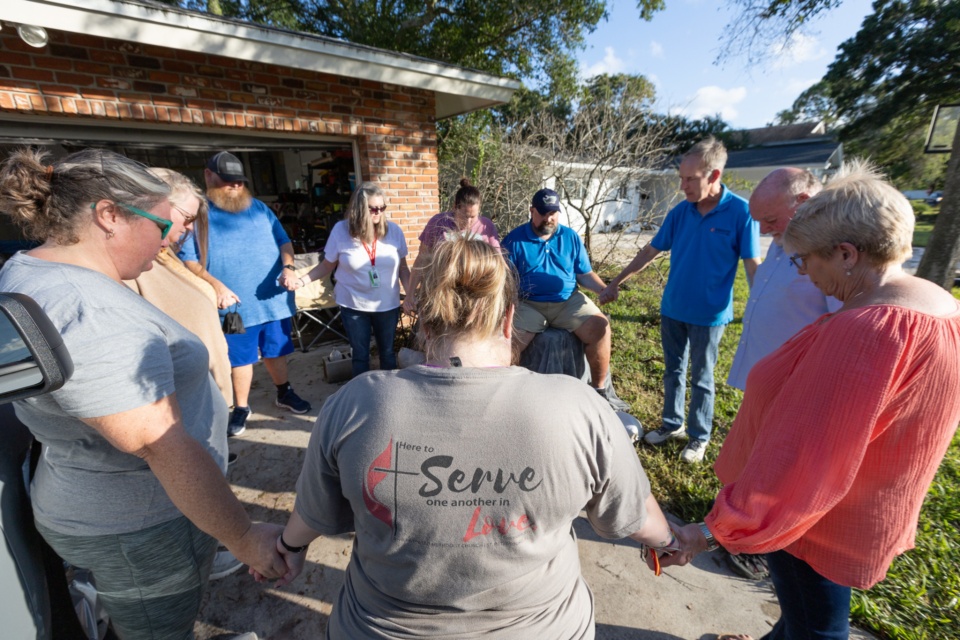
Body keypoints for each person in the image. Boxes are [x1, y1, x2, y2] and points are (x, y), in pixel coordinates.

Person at [255, 236, 684, 637]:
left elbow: (313, 517)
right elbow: (637, 520)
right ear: (510, 318)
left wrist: (288, 546)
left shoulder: (354, 403)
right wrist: (672, 543)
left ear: (422, 318)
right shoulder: (580, 407)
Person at [0, 148, 287, 640]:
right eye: (158, 225)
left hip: (94, 499)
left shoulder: (32, 270)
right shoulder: (94, 313)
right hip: (141, 524)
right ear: (109, 216)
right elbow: (160, 443)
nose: (165, 243)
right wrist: (241, 536)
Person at [665, 162, 960, 640]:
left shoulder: (864, 332)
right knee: (804, 613)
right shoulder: (937, 303)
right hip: (861, 503)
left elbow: (803, 457)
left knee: (817, 628)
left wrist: (710, 531)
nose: (805, 274)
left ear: (845, 253)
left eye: (804, 261)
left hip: (814, 519)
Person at [599, 137, 761, 463]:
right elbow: (649, 251)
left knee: (702, 378)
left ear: (714, 176)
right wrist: (615, 282)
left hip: (710, 314)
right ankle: (672, 425)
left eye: (690, 179)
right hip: (673, 308)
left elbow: (752, 265)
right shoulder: (680, 212)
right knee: (673, 371)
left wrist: (761, 309)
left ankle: (699, 437)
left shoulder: (741, 213)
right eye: (681, 179)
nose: (683, 186)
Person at [721, 168, 841, 580]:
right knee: (753, 460)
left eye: (770, 220)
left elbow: (843, 326)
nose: (764, 229)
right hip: (765, 381)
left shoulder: (832, 252)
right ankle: (745, 530)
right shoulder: (786, 238)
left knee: (775, 472)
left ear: (803, 203)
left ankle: (762, 548)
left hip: (796, 390)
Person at [124, 167, 243, 582]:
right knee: (196, 481)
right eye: (186, 218)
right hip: (182, 410)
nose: (189, 229)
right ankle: (209, 551)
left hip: (205, 398)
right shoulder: (135, 266)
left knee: (212, 475)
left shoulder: (165, 256)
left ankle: (210, 544)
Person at [179, 151, 311, 437]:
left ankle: (284, 392)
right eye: (227, 182)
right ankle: (241, 406)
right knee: (240, 357)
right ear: (208, 176)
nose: (235, 187)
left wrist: (289, 268)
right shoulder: (198, 216)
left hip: (273, 302)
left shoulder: (260, 209)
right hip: (234, 308)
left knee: (277, 350)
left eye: (239, 182)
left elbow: (284, 240)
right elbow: (188, 260)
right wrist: (216, 285)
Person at [286, 181, 410, 377]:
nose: (378, 213)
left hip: (387, 305)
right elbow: (327, 265)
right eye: (372, 209)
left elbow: (403, 268)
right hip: (354, 305)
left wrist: (411, 295)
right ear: (359, 209)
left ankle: (389, 396)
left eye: (382, 208)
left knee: (387, 353)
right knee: (360, 355)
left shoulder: (394, 231)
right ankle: (360, 398)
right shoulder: (341, 231)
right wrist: (301, 281)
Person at [501, 188, 612, 396]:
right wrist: (511, 307)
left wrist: (603, 289)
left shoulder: (570, 237)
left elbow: (585, 274)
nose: (549, 218)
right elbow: (506, 281)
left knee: (601, 327)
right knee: (507, 344)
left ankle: (599, 391)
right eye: (543, 213)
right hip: (529, 303)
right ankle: (507, 394)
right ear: (531, 211)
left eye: (553, 213)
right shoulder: (513, 240)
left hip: (568, 301)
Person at [402, 177, 500, 314]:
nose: (469, 222)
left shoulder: (486, 226)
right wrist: (410, 295)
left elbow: (498, 261)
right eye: (465, 215)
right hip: (441, 293)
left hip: (475, 296)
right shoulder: (439, 222)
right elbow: (421, 259)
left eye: (473, 216)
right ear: (454, 206)